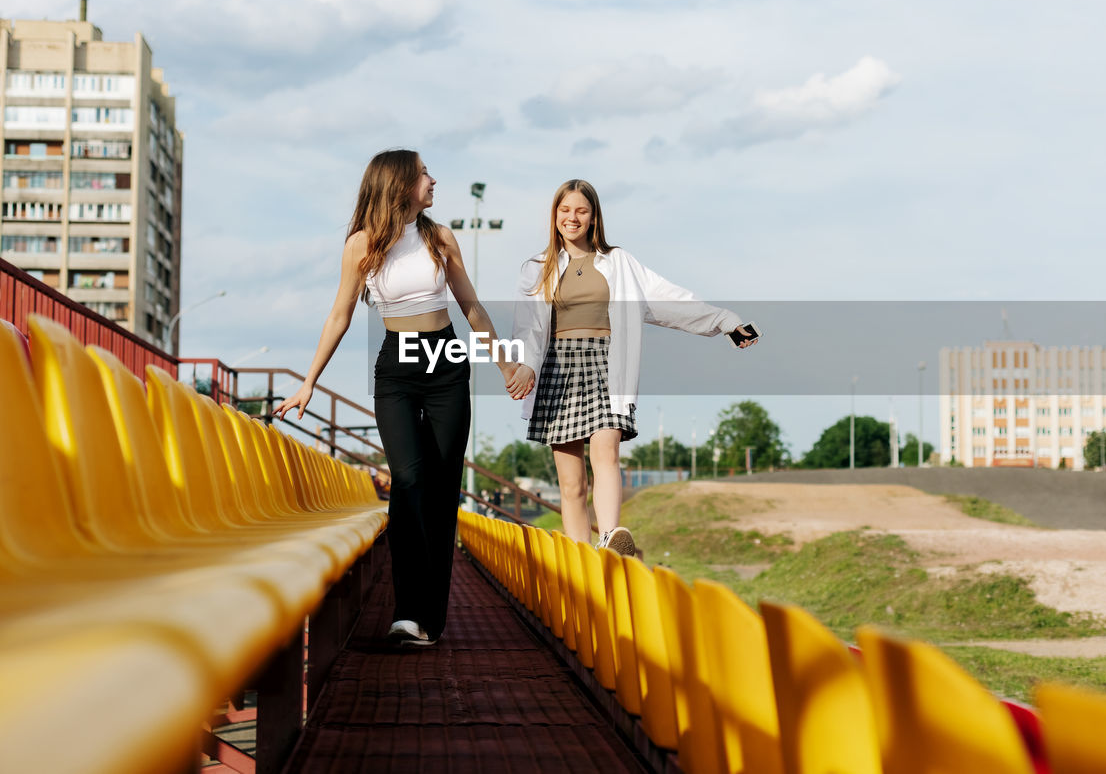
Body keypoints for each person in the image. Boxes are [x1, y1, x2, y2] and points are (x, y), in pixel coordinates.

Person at [274, 149, 524, 647]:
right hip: (398, 368)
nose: (433, 180)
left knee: (442, 489)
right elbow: (340, 314)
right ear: (399, 184)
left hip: (446, 362)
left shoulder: (440, 237)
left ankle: (429, 618)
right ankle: (407, 613)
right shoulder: (362, 245)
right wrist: (309, 382)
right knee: (408, 480)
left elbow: (470, 307)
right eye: (424, 173)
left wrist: (505, 363)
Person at [508, 180, 757, 555]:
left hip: (606, 364)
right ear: (555, 215)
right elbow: (528, 326)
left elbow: (668, 298)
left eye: (581, 211)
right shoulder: (536, 268)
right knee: (571, 482)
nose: (572, 218)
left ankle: (610, 539)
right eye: (565, 210)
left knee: (605, 450)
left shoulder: (618, 262)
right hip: (556, 369)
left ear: (594, 218)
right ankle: (581, 561)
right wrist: (526, 365)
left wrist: (724, 320)